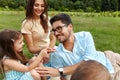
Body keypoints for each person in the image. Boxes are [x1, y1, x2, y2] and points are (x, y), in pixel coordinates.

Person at [36, 13, 120, 80]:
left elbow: (88, 62)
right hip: (105, 74)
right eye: (54, 30)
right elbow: (57, 75)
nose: (56, 33)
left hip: (108, 57)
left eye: (59, 28)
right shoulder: (56, 54)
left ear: (70, 27)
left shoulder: (85, 36)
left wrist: (60, 71)